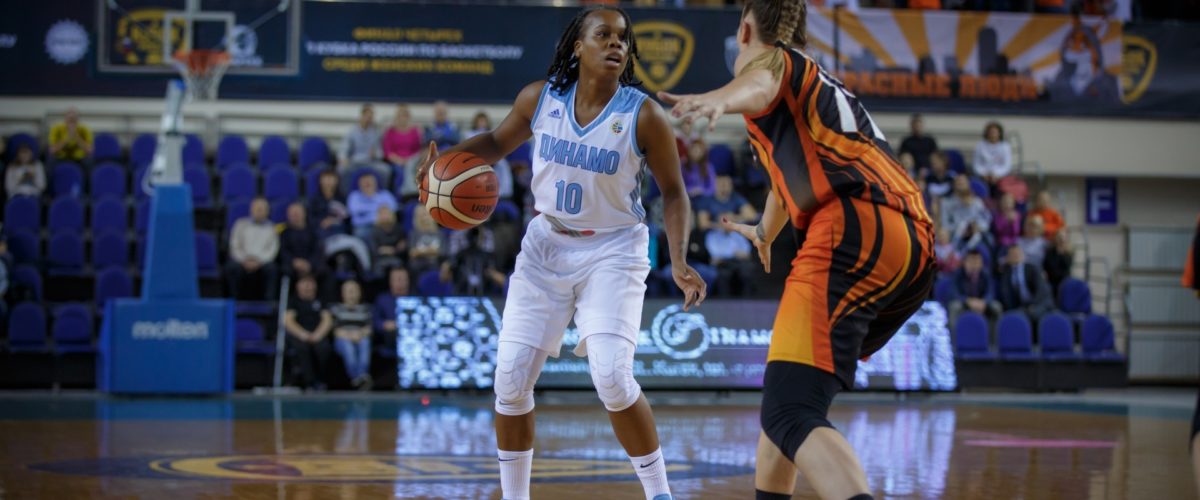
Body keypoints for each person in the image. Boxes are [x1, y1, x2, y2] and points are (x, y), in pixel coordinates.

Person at [415, 7, 706, 500]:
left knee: (612, 377)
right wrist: (445, 164)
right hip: (546, 245)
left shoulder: (643, 115)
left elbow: (675, 193)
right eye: (603, 35)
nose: (616, 44)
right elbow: (495, 141)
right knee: (510, 381)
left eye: (623, 38)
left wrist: (678, 259)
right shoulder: (540, 98)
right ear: (578, 45)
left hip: (614, 249)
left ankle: (660, 493)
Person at [658, 1, 936, 498]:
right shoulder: (817, 85)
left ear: (745, 29)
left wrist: (718, 99)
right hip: (908, 242)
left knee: (790, 411)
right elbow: (785, 180)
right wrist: (766, 231)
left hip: (855, 228)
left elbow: (759, 82)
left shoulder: (775, 64)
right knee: (784, 407)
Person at [283, 275, 333, 391]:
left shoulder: (321, 300)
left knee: (324, 348)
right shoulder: (293, 301)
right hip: (299, 334)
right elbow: (288, 321)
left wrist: (318, 335)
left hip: (317, 333)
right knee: (302, 348)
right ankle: (309, 382)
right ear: (297, 286)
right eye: (304, 283)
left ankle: (322, 380)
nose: (307, 286)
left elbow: (327, 319)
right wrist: (303, 335)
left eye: (310, 283)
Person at [226, 197, 280, 300]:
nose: (259, 212)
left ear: (267, 212)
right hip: (242, 260)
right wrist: (244, 260)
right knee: (231, 268)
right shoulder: (240, 224)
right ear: (251, 210)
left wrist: (258, 261)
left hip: (262, 262)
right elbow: (234, 245)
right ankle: (234, 301)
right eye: (257, 209)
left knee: (272, 269)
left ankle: (268, 303)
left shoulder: (272, 228)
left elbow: (273, 249)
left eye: (262, 209)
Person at [331, 279, 373, 390]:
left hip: (360, 337)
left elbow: (368, 329)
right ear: (342, 293)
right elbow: (335, 331)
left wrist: (360, 334)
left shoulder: (365, 309)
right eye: (349, 291)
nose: (352, 294)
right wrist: (350, 336)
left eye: (354, 291)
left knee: (365, 342)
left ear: (360, 293)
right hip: (343, 339)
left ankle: (362, 374)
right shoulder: (337, 309)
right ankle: (356, 377)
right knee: (347, 345)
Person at [997, 245, 1055, 324]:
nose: (1016, 256)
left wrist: (1033, 305)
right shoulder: (1006, 274)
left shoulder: (1032, 268)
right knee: (1015, 316)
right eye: (1013, 254)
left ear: (1023, 256)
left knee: (1034, 314)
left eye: (1018, 253)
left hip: (1040, 302)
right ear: (1008, 258)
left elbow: (1041, 289)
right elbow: (1006, 295)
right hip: (1022, 307)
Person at [339, 103, 391, 186]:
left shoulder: (376, 132)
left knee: (386, 170)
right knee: (341, 169)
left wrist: (375, 154)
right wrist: (343, 158)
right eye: (367, 116)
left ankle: (381, 191)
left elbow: (380, 153)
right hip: (355, 161)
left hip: (370, 162)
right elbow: (344, 148)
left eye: (371, 117)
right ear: (362, 116)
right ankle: (345, 193)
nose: (369, 119)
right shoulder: (352, 131)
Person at [707, 212, 757, 297]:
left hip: (738, 262)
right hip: (723, 263)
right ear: (718, 223)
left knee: (747, 271)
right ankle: (724, 301)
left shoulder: (738, 236)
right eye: (724, 222)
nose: (727, 224)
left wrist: (734, 254)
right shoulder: (712, 236)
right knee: (724, 274)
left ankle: (747, 299)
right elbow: (715, 255)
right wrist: (734, 253)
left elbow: (746, 253)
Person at [948, 249, 1002, 323]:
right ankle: (954, 330)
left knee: (996, 307)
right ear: (965, 262)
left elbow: (990, 292)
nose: (975, 264)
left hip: (982, 303)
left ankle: (995, 330)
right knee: (954, 306)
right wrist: (968, 301)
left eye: (977, 261)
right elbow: (954, 293)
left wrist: (984, 302)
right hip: (965, 303)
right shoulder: (958, 274)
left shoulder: (986, 274)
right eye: (972, 261)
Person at [346, 174, 398, 240]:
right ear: (359, 184)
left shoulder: (385, 194)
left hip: (384, 225)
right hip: (364, 226)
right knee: (360, 233)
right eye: (364, 181)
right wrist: (380, 209)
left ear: (376, 182)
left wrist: (367, 210)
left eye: (370, 181)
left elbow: (393, 208)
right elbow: (354, 210)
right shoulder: (354, 196)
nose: (367, 183)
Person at [372, 267, 410, 353]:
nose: (400, 283)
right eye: (397, 280)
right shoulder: (382, 299)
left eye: (403, 279)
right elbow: (375, 322)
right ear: (390, 282)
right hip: (390, 337)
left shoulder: (416, 299)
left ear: (408, 281)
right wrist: (385, 325)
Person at [407, 204, 446, 278]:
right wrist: (431, 251)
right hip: (418, 266)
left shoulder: (440, 233)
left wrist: (421, 252)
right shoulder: (413, 234)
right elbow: (412, 253)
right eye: (420, 215)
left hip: (436, 265)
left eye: (425, 214)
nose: (424, 218)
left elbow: (443, 252)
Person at [368, 206, 406, 275]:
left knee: (399, 263)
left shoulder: (398, 229)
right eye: (382, 214)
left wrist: (389, 250)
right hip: (380, 259)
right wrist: (386, 250)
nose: (385, 216)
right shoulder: (374, 231)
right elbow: (374, 250)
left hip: (396, 257)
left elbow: (402, 247)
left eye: (387, 213)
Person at [383, 104, 423, 168]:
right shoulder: (390, 131)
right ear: (396, 117)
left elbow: (418, 151)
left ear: (408, 117)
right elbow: (388, 152)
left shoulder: (415, 131)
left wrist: (408, 161)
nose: (402, 118)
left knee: (411, 167)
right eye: (400, 116)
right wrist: (399, 161)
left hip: (412, 161)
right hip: (394, 162)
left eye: (404, 116)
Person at [973, 121, 1012, 186]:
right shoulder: (980, 145)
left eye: (995, 132)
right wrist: (983, 174)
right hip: (983, 176)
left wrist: (997, 175)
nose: (993, 135)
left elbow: (1007, 166)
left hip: (1000, 176)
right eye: (991, 132)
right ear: (987, 133)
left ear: (999, 133)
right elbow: (976, 164)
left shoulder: (1005, 146)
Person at [1043, 228, 1074, 292]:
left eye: (1063, 237)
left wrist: (1061, 252)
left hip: (1064, 281)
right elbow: (1048, 266)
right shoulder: (1050, 251)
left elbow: (1066, 268)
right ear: (1055, 238)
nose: (1061, 239)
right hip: (1051, 281)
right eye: (1059, 237)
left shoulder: (1069, 253)